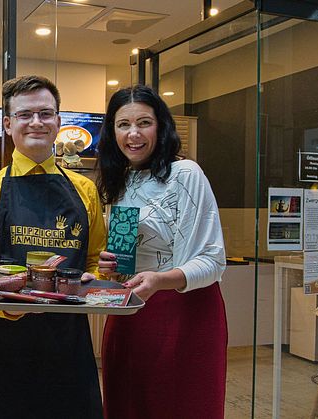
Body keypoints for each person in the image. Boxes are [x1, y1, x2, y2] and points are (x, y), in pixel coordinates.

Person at [0, 75, 107, 419]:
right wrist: (13, 308)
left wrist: (97, 278)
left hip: (66, 339)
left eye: (46, 113)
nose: (36, 123)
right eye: (25, 115)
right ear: (9, 124)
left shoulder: (85, 191)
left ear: (58, 122)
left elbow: (94, 259)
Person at [96, 84, 227, 418]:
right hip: (130, 312)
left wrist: (160, 279)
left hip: (185, 313)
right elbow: (127, 260)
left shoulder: (185, 173)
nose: (133, 134)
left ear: (161, 126)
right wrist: (110, 266)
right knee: (127, 405)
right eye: (123, 125)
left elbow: (213, 261)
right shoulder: (120, 181)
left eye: (144, 123)